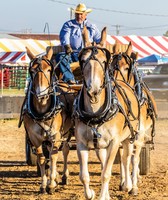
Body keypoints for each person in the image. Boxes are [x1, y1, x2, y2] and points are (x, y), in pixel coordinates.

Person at [56, 3, 101, 84]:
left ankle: (96, 80)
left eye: (81, 14)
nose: (79, 16)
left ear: (86, 15)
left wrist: (98, 46)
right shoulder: (68, 25)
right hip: (73, 54)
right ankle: (70, 79)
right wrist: (67, 46)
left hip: (88, 55)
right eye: (77, 14)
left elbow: (99, 39)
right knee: (60, 57)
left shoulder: (92, 27)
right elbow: (64, 36)